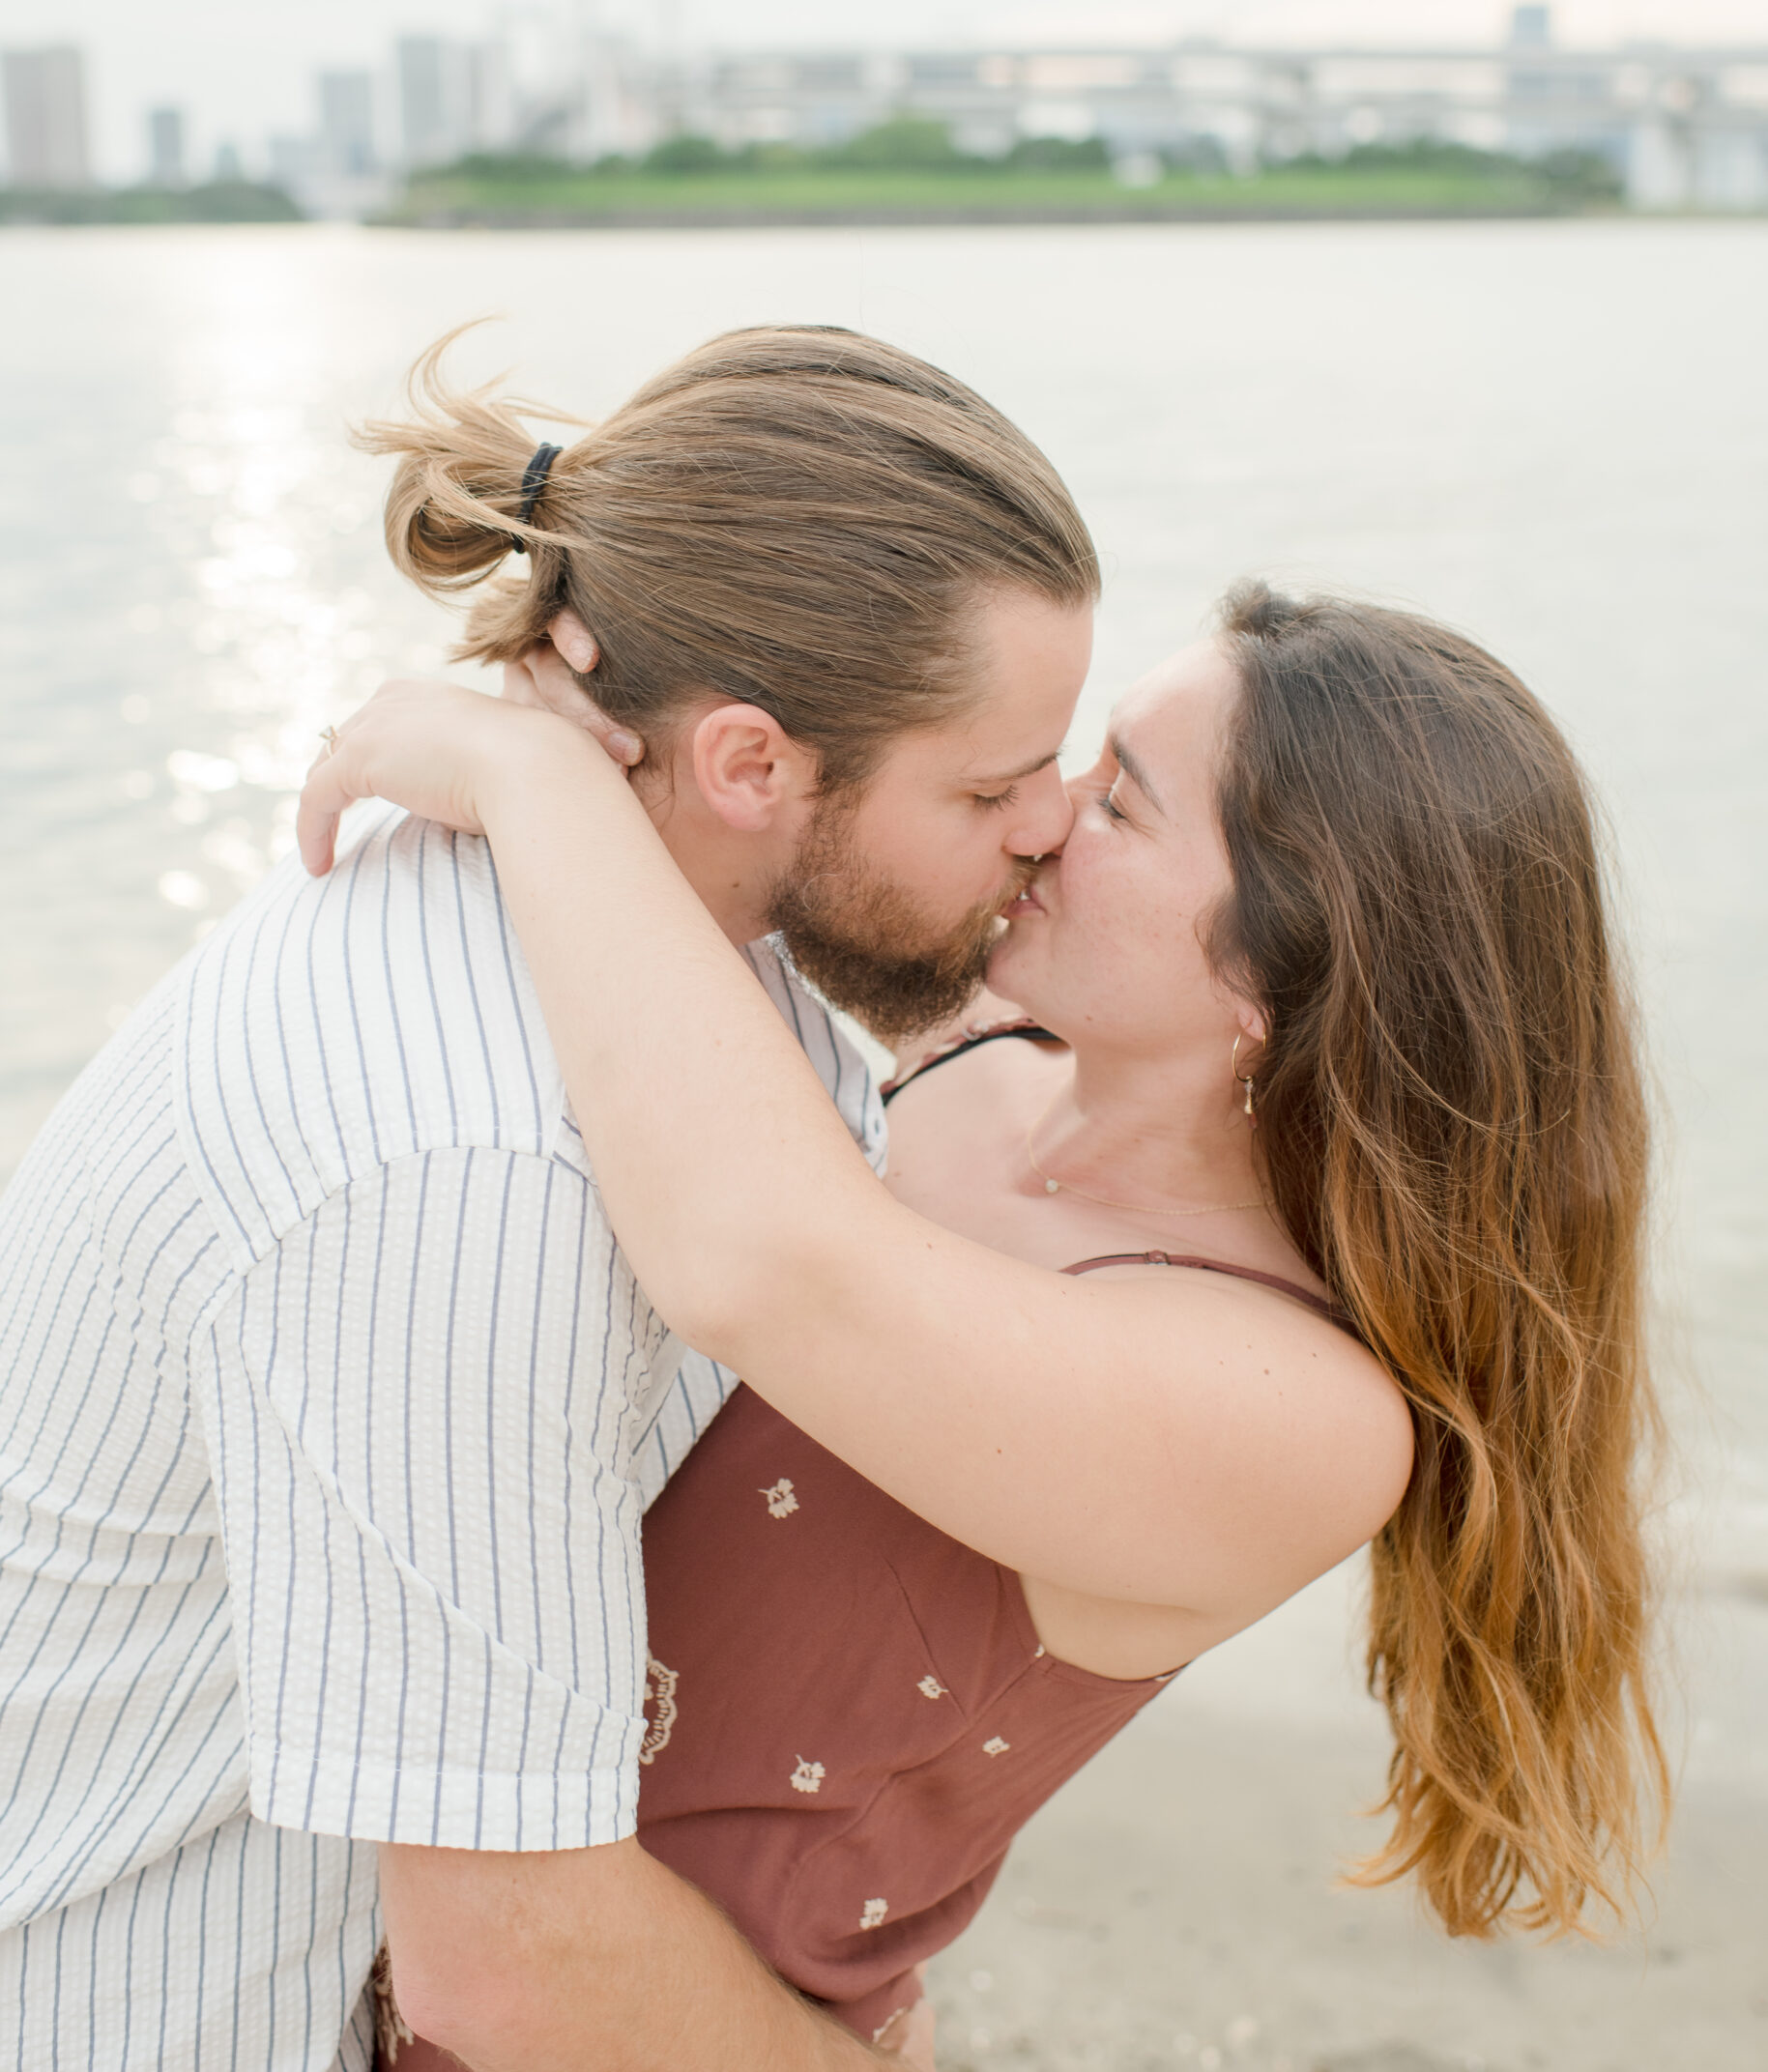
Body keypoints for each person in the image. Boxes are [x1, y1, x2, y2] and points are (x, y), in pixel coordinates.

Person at [306, 582, 1668, 2068]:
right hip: (375, 1914)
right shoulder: (979, 1045)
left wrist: (527, 779)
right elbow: (695, 954)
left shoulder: (1298, 1416)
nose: (1039, 814)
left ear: (1273, 978)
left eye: (1120, 803)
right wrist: (617, 729)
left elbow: (755, 1263)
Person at [0, 325, 1102, 2072]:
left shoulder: (669, 963)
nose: (1049, 826)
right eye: (989, 786)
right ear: (749, 766)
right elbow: (509, 1971)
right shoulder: (463, 1165)